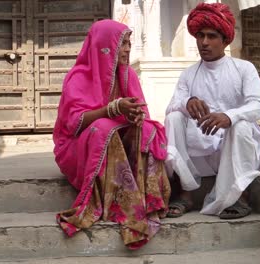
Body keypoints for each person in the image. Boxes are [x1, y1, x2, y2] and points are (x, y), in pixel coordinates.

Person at [53, 19, 171, 249]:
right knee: (103, 128)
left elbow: (141, 112)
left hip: (117, 143)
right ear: (104, 46)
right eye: (122, 43)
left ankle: (149, 201)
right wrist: (111, 109)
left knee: (147, 129)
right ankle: (121, 205)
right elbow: (73, 125)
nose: (127, 49)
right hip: (78, 147)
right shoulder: (78, 77)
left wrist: (136, 117)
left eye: (129, 43)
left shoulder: (129, 76)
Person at [164, 3, 260, 219]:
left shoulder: (243, 68)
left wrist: (229, 116)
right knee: (174, 116)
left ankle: (240, 196)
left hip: (234, 144)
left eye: (212, 36)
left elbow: (259, 105)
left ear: (225, 40)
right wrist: (187, 102)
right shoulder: (188, 74)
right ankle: (185, 193)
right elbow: (172, 104)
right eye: (200, 36)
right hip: (200, 148)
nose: (204, 42)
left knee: (242, 125)